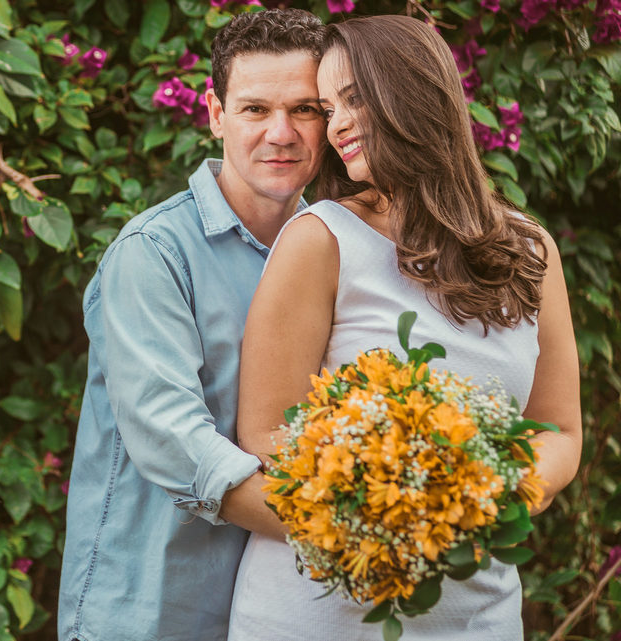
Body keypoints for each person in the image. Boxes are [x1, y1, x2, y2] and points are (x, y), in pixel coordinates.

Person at [227, 14, 582, 641]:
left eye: (353, 99)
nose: (334, 125)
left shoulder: (533, 252)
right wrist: (391, 494)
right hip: (318, 615)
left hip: (481, 617)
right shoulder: (321, 240)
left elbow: (559, 427)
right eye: (326, 106)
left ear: (416, 93)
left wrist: (489, 493)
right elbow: (265, 431)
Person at [57, 9, 325, 641]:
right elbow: (174, 439)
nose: (281, 133)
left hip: (274, 611)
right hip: (148, 609)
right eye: (256, 109)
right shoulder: (153, 252)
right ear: (215, 114)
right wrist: (343, 526)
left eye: (304, 109)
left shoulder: (337, 252)